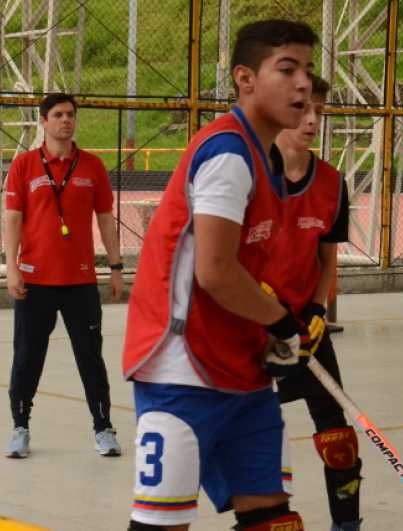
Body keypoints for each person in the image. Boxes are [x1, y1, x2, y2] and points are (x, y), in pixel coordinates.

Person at [122, 20, 317, 531]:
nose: (302, 84)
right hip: (182, 370)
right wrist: (282, 324)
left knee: (272, 518)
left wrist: (274, 330)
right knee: (162, 524)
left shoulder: (266, 155)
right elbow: (214, 271)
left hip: (242, 368)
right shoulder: (229, 153)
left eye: (308, 71)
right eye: (287, 69)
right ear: (245, 79)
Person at [263, 76, 363, 531]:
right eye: (302, 110)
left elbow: (327, 259)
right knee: (256, 431)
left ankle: (346, 524)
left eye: (319, 112)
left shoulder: (332, 183)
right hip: (253, 329)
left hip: (307, 325)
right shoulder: (248, 173)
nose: (312, 121)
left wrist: (319, 309)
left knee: (338, 434)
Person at [3, 93, 124, 458]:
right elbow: (13, 219)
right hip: (35, 281)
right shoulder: (24, 165)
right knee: (27, 357)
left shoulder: (92, 166)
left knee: (91, 357)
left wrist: (115, 267)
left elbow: (105, 218)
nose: (65, 121)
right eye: (57, 115)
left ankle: (103, 428)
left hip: (80, 282)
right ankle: (20, 427)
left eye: (71, 114)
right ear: (43, 121)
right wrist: (11, 268)